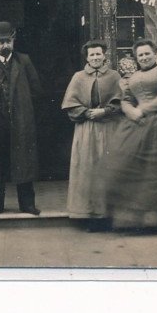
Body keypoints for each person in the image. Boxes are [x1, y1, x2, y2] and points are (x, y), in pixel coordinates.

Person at [101, 38, 157, 235]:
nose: (144, 57)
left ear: (155, 54)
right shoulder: (131, 77)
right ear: (136, 58)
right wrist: (130, 110)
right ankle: (140, 220)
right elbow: (126, 99)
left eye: (147, 53)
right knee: (138, 170)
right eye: (140, 55)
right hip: (139, 126)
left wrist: (143, 109)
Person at [0, 21, 41, 216]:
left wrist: (26, 115)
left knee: (24, 161)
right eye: (0, 42)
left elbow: (36, 92)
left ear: (14, 40)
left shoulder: (24, 61)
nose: (5, 45)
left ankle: (27, 204)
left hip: (21, 122)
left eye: (8, 41)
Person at [61, 40, 123, 231]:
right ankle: (90, 217)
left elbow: (121, 101)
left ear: (104, 55)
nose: (95, 58)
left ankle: (108, 217)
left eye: (98, 54)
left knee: (108, 170)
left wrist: (104, 111)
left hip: (108, 127)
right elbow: (70, 104)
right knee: (88, 170)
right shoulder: (78, 77)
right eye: (92, 55)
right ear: (86, 58)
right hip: (86, 128)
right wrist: (88, 113)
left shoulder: (114, 76)